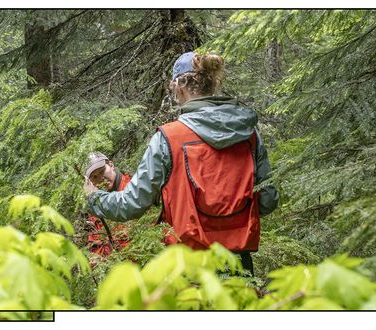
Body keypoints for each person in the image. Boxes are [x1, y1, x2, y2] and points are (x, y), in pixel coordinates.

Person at [83, 52, 279, 275]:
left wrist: (93, 197)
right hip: (239, 263)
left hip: (188, 267)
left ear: (179, 87)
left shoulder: (168, 138)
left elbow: (132, 204)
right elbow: (268, 201)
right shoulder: (249, 134)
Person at [83, 152, 132, 257]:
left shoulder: (132, 188)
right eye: (94, 177)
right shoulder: (96, 207)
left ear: (111, 164)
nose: (101, 178)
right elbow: (95, 244)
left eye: (102, 171)